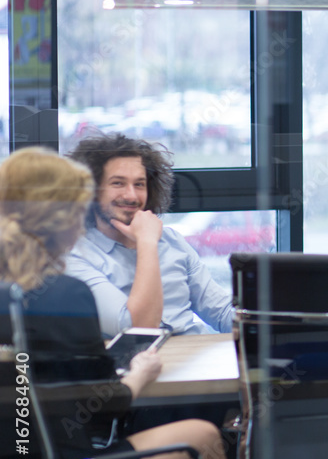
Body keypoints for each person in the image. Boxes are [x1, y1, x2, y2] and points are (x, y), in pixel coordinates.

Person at [0, 148, 286, 459]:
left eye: (139, 184)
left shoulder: (13, 293)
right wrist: (137, 375)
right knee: (208, 438)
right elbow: (103, 406)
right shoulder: (62, 293)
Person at [65, 132, 233, 338]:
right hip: (136, 367)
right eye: (118, 183)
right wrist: (146, 242)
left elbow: (222, 312)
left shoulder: (172, 241)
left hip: (197, 360)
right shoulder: (76, 257)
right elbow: (139, 329)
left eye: (139, 184)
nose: (131, 195)